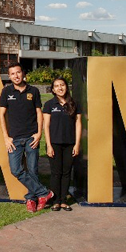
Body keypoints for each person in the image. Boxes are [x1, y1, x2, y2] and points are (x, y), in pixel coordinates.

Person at [0, 62, 53, 212]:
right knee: (16, 170)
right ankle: (44, 193)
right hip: (14, 139)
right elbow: (1, 114)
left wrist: (39, 133)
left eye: (18, 72)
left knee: (33, 170)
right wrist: (5, 137)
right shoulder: (6, 92)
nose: (16, 76)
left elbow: (39, 113)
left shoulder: (33, 91)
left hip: (31, 137)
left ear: (23, 73)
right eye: (12, 74)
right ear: (9, 76)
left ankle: (31, 199)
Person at [42, 77, 81, 211]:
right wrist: (48, 145)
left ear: (66, 87)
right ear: (53, 90)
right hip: (54, 143)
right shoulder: (49, 104)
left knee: (66, 172)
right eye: (57, 86)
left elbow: (78, 124)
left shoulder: (74, 104)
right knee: (56, 172)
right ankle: (55, 201)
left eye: (62, 85)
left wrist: (77, 144)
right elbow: (46, 126)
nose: (60, 88)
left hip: (70, 143)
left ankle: (64, 200)